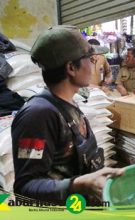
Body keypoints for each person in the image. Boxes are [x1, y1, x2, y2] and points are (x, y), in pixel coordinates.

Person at [11, 25, 123, 205]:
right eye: (90, 59)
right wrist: (78, 184)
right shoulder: (38, 116)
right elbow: (25, 187)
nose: (93, 64)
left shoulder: (70, 102)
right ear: (71, 68)